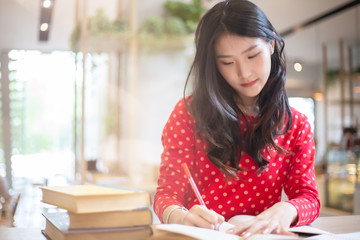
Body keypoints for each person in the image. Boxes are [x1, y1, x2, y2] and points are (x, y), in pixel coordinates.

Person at [153, 0, 320, 238]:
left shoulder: (296, 124)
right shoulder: (189, 113)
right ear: (214, 65)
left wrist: (286, 209)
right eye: (228, 63)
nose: (244, 73)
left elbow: (309, 197)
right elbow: (166, 195)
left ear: (271, 44)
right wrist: (181, 216)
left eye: (252, 56)